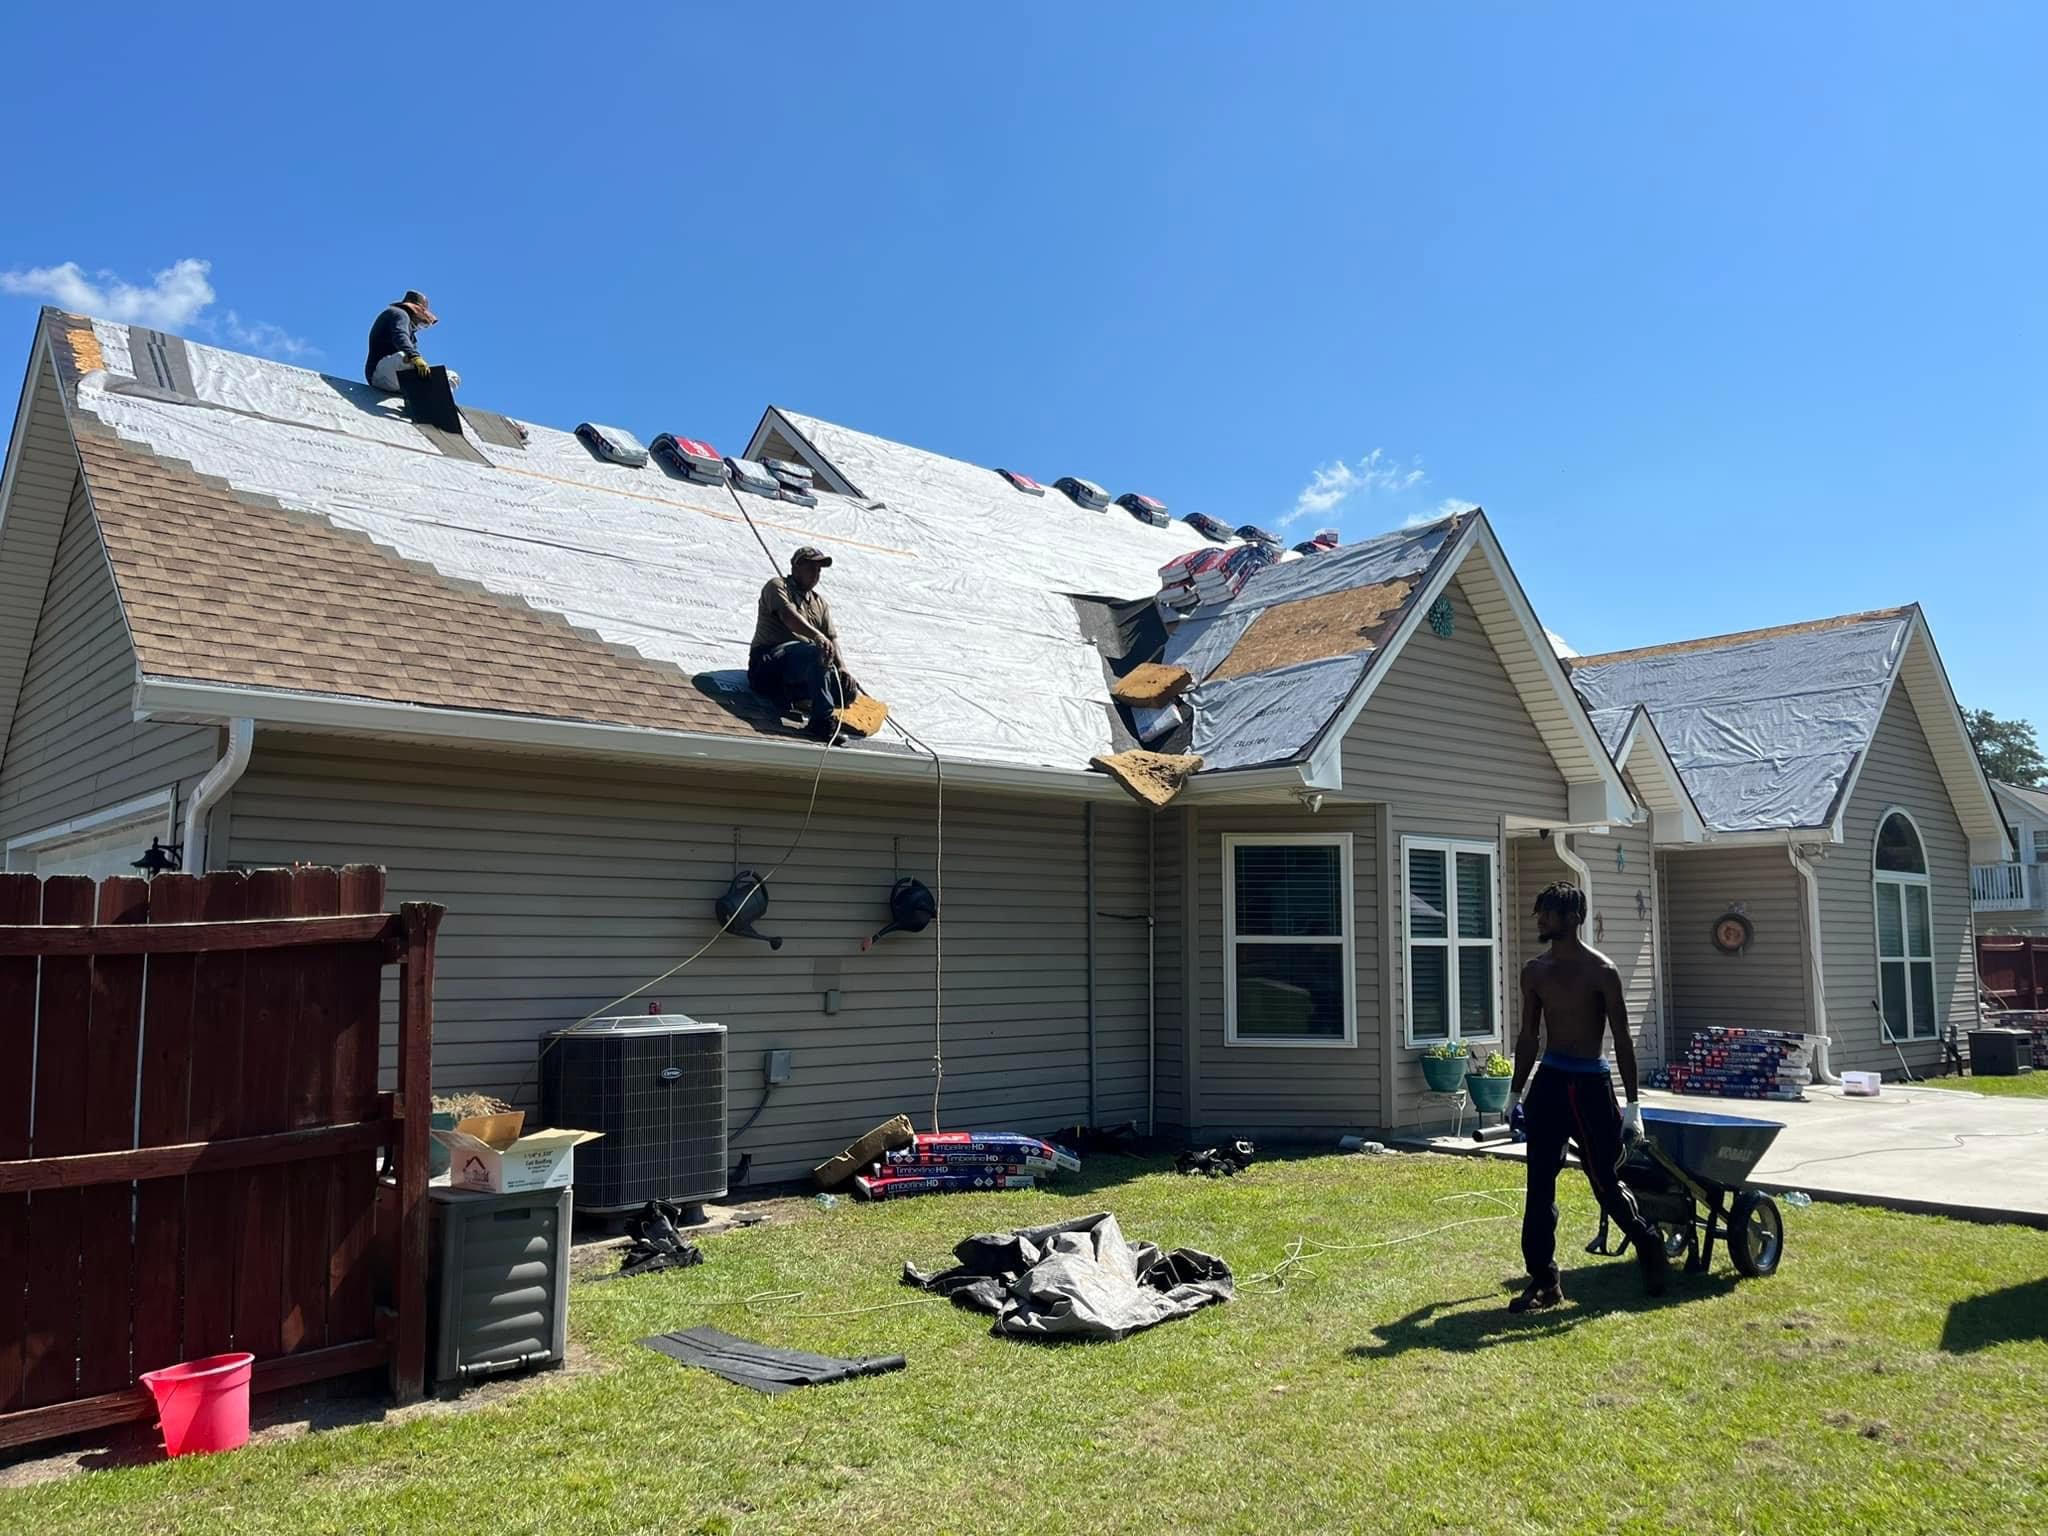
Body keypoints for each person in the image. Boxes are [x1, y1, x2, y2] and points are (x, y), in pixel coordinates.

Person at [1508, 879, 1667, 1311]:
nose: (1539, 919)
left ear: (1573, 918)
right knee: (1539, 1186)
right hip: (1550, 1084)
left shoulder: (1602, 971)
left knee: (1604, 1183)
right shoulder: (1534, 971)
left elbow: (1623, 1040)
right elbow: (1528, 1037)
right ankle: (1544, 1280)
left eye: (1548, 913)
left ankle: (1650, 1248)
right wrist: (1515, 1093)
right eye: (1539, 911)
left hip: (1591, 1087)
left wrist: (1633, 1105)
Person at [749, 547, 860, 740]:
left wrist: (843, 669)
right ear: (796, 567)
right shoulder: (777, 586)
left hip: (798, 671)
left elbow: (832, 638)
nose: (816, 574)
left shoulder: (819, 603)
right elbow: (788, 616)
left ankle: (801, 698)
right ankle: (821, 722)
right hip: (769, 664)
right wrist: (817, 637)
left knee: (846, 690)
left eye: (819, 570)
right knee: (815, 653)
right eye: (811, 568)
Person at [364, 291, 452, 394]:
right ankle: (426, 393)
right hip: (379, 373)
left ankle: (432, 398)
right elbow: (400, 336)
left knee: (451, 376)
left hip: (398, 382)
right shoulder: (398, 314)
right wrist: (415, 356)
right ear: (415, 311)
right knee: (405, 357)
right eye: (421, 320)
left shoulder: (412, 337)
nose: (420, 324)